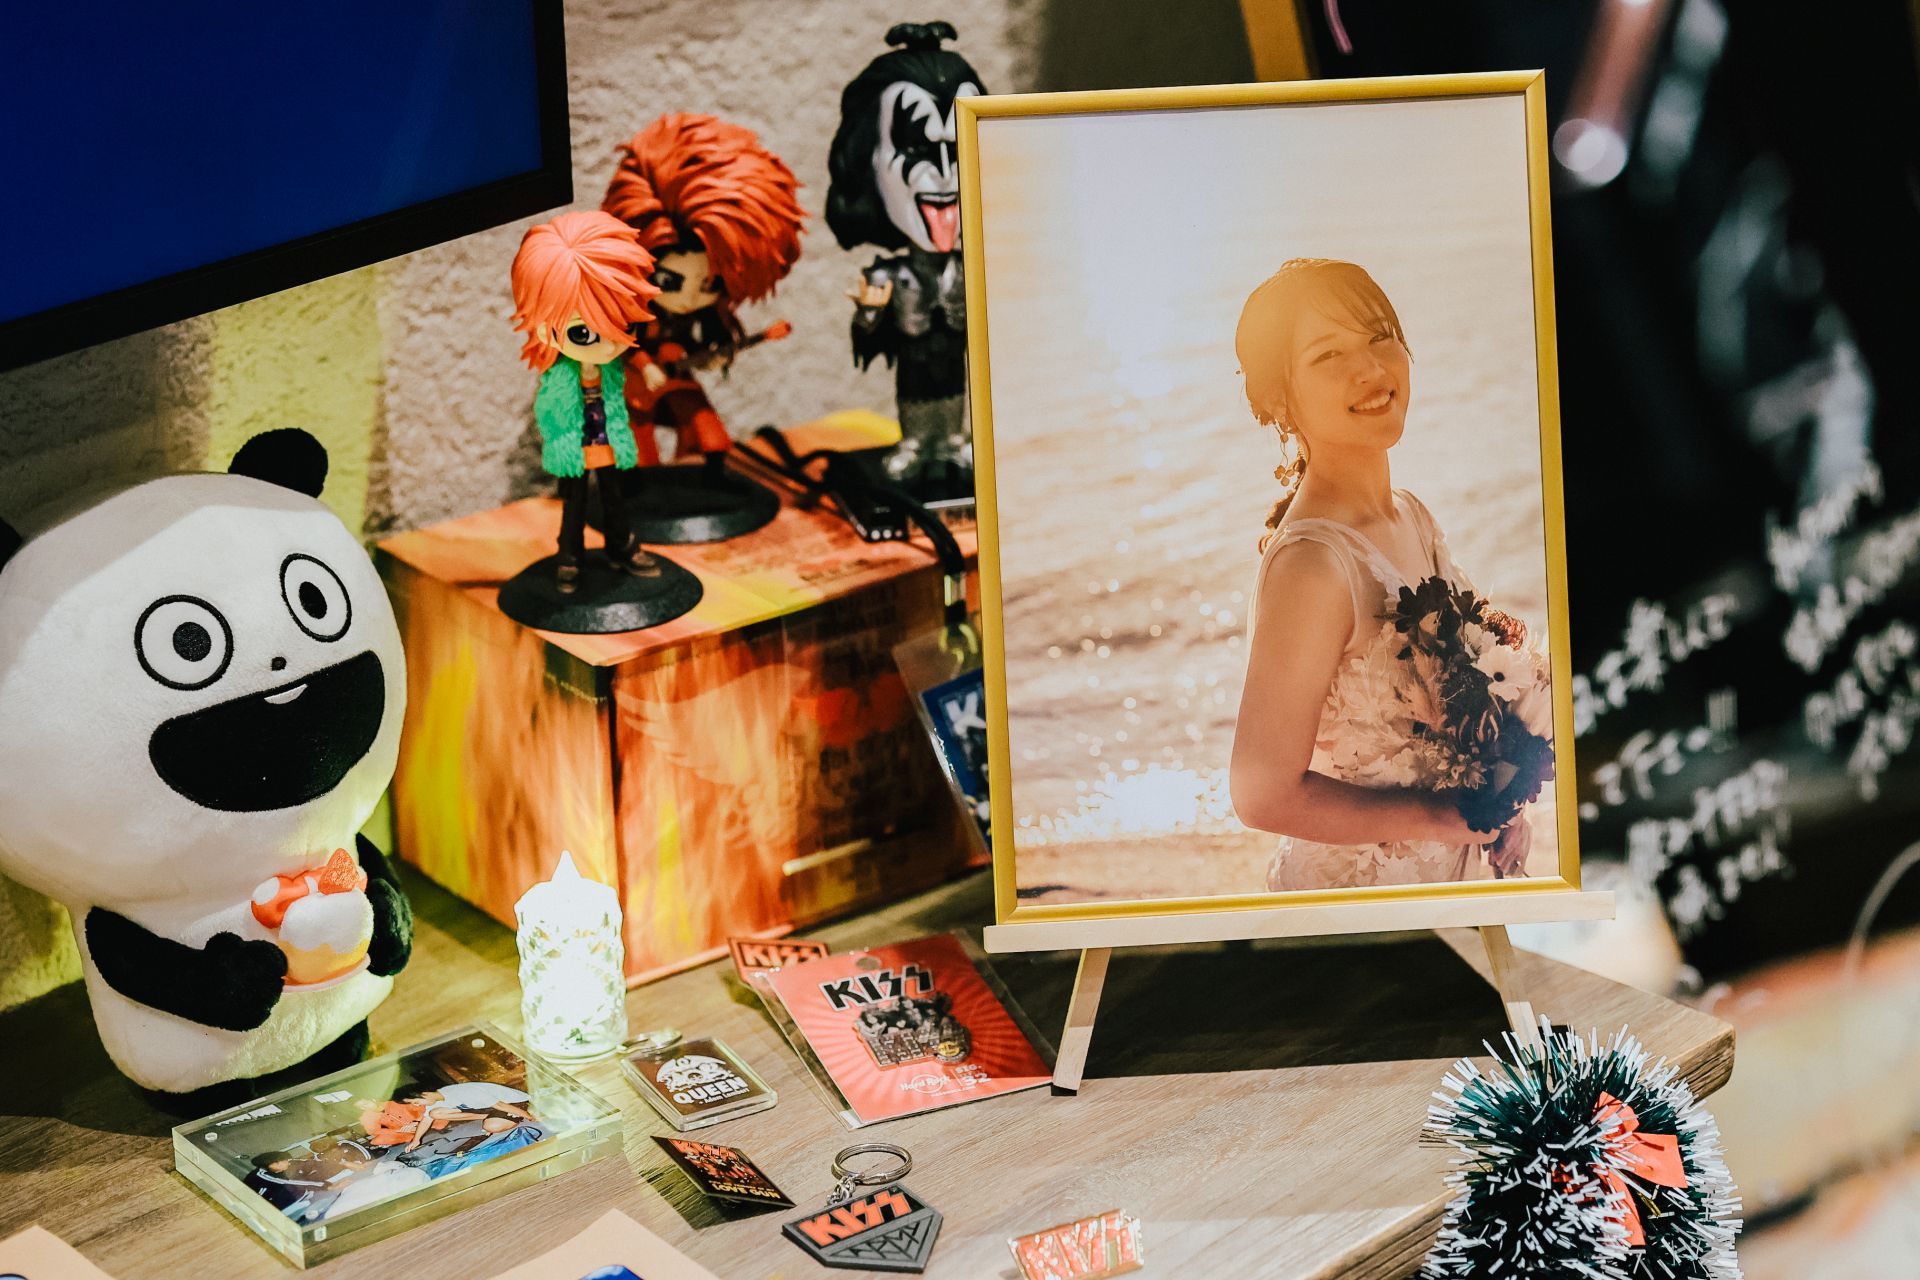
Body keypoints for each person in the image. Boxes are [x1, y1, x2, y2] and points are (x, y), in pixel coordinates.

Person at [1228, 259, 1532, 889]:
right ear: (1279, 399)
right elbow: (1261, 795)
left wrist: (1501, 798)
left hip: (1451, 880)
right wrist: (1442, 818)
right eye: (1327, 355)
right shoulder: (1312, 567)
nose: (1369, 368)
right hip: (1356, 907)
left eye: (1379, 337)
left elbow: (1464, 693)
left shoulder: (1411, 516)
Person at [602, 113, 807, 470]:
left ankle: (712, 478)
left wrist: (712, 355)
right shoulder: (632, 313)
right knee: (638, 452)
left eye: (709, 285)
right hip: (631, 389)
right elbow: (622, 343)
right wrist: (644, 365)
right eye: (670, 282)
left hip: (677, 380)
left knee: (710, 435)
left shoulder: (700, 317)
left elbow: (694, 344)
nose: (687, 300)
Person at [508, 210, 666, 593]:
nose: (609, 345)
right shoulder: (559, 376)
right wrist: (561, 443)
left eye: (623, 325)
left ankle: (622, 547)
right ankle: (570, 556)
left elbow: (621, 396)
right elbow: (549, 412)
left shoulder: (612, 369)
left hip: (608, 442)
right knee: (574, 505)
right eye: (584, 333)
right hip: (574, 448)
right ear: (544, 327)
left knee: (615, 499)